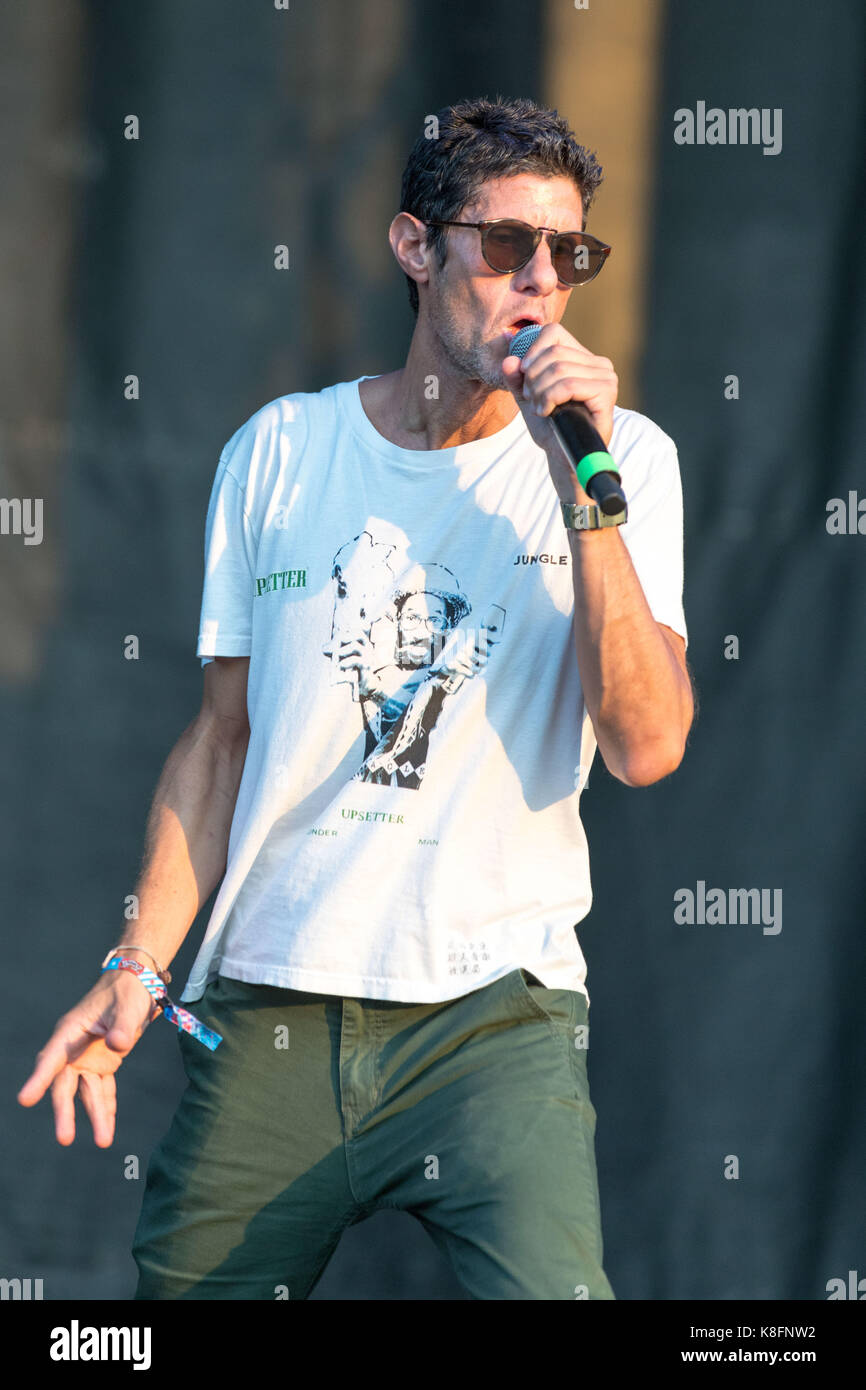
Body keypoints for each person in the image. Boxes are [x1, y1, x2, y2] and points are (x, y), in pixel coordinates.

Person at [17, 95, 694, 1300]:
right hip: (275, 999)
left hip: (494, 1017)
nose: (540, 277)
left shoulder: (620, 459)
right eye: (504, 244)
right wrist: (136, 964)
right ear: (413, 245)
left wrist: (575, 476)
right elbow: (218, 745)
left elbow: (646, 745)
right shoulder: (280, 450)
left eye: (569, 253)